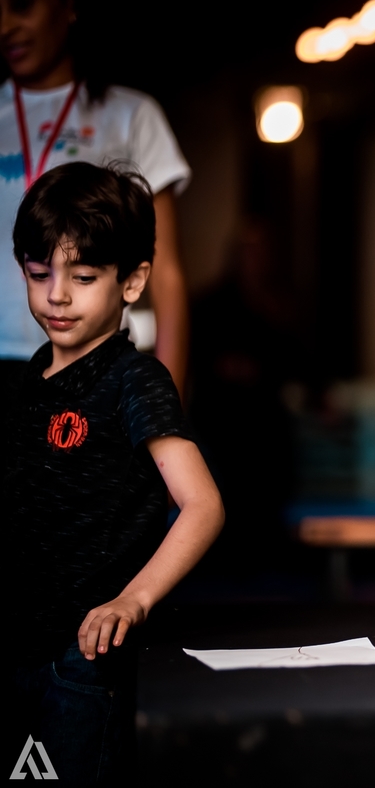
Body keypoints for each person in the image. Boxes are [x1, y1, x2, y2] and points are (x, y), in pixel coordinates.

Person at [2, 162, 222, 784]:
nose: (58, 296)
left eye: (84, 276)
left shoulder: (134, 379)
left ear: (132, 281)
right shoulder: (19, 383)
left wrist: (135, 598)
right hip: (14, 646)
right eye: (39, 274)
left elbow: (202, 505)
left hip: (81, 660)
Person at [0, 0, 190, 391]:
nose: (4, 27)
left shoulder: (130, 115)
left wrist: (166, 401)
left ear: (68, 3)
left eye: (21, 4)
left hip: (99, 370)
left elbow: (166, 271)